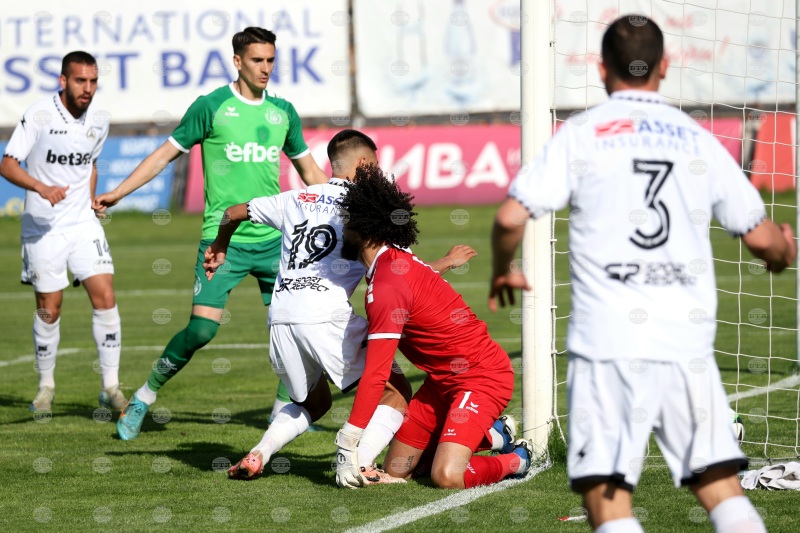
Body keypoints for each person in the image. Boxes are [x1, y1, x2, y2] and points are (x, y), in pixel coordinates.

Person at [489, 16, 796, 533]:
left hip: (607, 345)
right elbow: (764, 240)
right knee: (720, 489)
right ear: (665, 67)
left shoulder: (582, 134)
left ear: (601, 68)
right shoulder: (696, 138)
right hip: (684, 345)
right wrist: (784, 249)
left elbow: (508, 218)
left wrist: (506, 269)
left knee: (608, 501)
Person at [204, 129, 487, 485]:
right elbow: (403, 274)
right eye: (376, 166)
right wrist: (446, 261)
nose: (379, 173)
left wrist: (220, 244)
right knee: (397, 393)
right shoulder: (366, 210)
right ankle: (360, 463)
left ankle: (259, 452)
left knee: (314, 403)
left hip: (281, 318)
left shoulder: (296, 197)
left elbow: (231, 213)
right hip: (326, 317)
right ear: (364, 163)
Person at [93, 27, 328, 440]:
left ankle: (282, 412)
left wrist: (345, 206)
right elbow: (163, 156)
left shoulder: (283, 112)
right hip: (223, 242)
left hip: (276, 241)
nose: (266, 68)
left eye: (271, 60)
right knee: (201, 331)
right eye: (257, 60)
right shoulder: (212, 107)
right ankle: (144, 396)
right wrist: (118, 193)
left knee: (295, 328)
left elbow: (310, 172)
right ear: (237, 61)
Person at [331, 163, 533, 490]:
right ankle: (494, 434)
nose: (342, 229)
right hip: (441, 383)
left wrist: (348, 442)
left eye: (346, 222)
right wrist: (447, 262)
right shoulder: (394, 261)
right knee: (397, 470)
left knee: (447, 475)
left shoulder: (386, 284)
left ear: (364, 229)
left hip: (481, 377)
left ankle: (517, 459)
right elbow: (420, 280)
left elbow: (377, 373)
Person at [0, 51, 125, 413]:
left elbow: (91, 165)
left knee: (105, 295)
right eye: (80, 80)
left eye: (93, 81)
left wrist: (92, 200)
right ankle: (46, 387)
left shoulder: (99, 119)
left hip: (83, 224)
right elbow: (7, 164)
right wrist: (41, 188)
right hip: (43, 227)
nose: (88, 88)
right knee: (49, 309)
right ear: (63, 81)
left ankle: (111, 386)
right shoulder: (39, 115)